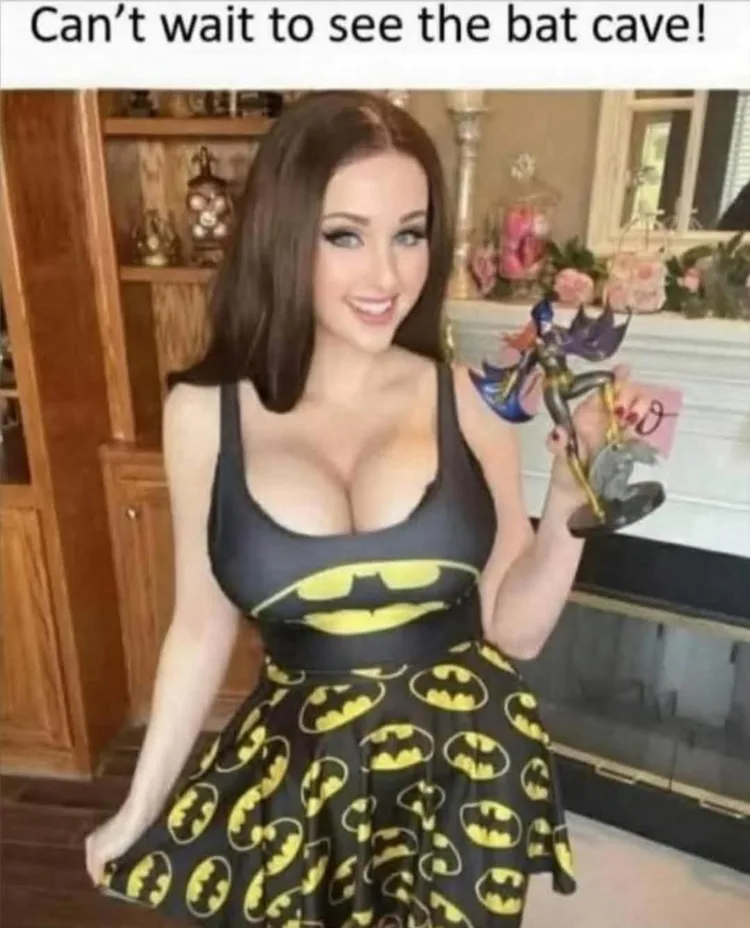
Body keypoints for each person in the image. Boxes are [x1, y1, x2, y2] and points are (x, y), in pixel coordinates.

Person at [85, 90, 651, 927]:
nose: (387, 277)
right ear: (284, 234)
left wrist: (570, 498)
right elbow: (200, 628)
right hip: (302, 780)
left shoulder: (467, 400)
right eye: (345, 235)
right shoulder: (205, 414)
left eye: (409, 234)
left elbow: (516, 631)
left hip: (466, 774)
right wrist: (139, 808)